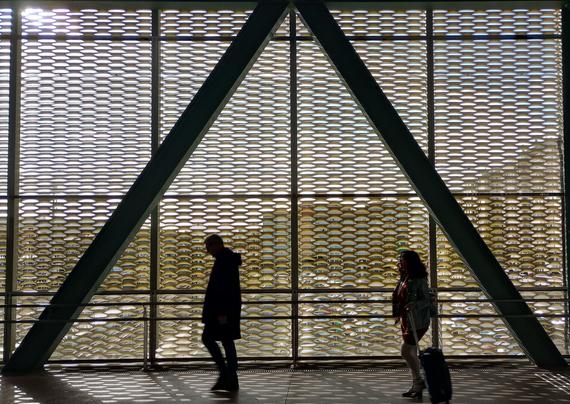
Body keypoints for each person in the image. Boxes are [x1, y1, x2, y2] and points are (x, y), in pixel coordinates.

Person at [201, 234, 242, 391]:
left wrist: (222, 313)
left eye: (208, 247)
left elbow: (223, 289)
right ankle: (230, 377)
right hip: (224, 310)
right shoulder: (226, 259)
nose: (207, 251)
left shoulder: (224, 261)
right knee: (226, 341)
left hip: (221, 312)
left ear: (216, 245)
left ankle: (226, 374)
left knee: (210, 339)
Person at [392, 250, 431, 399]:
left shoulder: (419, 278)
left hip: (417, 321)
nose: (400, 262)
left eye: (402, 260)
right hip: (406, 320)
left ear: (410, 262)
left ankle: (418, 381)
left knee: (405, 351)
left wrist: (414, 305)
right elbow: (398, 297)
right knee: (411, 351)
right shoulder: (404, 277)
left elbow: (426, 300)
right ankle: (417, 385)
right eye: (399, 260)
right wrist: (397, 314)